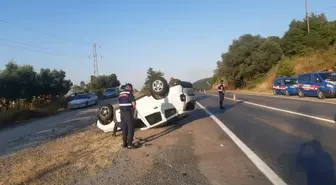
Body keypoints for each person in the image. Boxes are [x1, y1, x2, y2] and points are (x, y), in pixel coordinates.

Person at [118, 83, 137, 149]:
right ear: (130, 88)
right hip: (128, 113)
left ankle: (124, 143)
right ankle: (130, 144)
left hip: (122, 113)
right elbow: (134, 104)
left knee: (124, 128)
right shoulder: (129, 93)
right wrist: (133, 107)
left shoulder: (120, 94)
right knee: (130, 128)